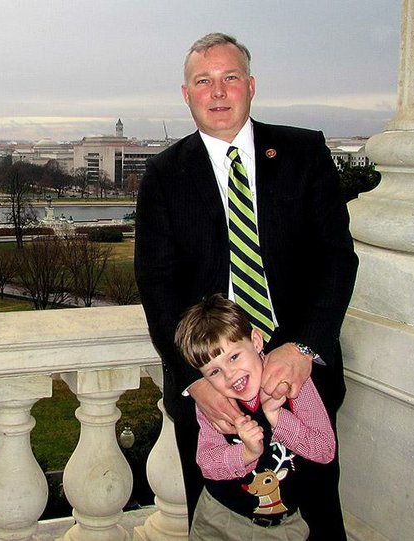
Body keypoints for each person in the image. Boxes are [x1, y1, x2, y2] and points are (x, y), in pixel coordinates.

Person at [134, 32, 358, 540]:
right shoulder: (164, 175)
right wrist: (195, 380)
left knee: (318, 515)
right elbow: (157, 285)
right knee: (220, 517)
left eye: (230, 78)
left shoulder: (303, 152)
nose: (218, 92)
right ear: (186, 94)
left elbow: (336, 259)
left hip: (300, 374)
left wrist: (301, 349)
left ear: (251, 86)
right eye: (203, 81)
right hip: (211, 382)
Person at [174, 294, 336, 540]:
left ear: (256, 341)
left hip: (281, 528)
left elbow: (324, 450)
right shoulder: (217, 403)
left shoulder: (291, 385)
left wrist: (278, 418)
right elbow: (207, 462)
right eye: (214, 371)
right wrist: (246, 454)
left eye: (234, 357)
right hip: (218, 519)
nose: (230, 375)